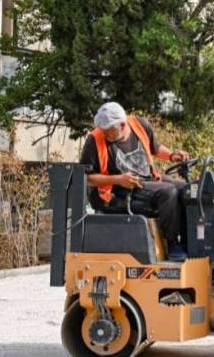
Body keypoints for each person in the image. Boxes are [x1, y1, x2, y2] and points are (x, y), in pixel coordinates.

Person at [79, 102, 191, 261]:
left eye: (109, 131)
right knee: (168, 192)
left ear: (122, 125)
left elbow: (156, 148)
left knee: (187, 189)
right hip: (116, 192)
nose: (104, 134)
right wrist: (118, 179)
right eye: (102, 130)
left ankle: (188, 241)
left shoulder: (139, 124)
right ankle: (172, 244)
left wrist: (172, 155)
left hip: (147, 178)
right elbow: (87, 177)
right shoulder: (94, 140)